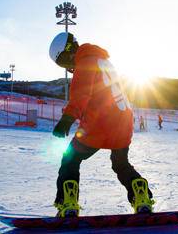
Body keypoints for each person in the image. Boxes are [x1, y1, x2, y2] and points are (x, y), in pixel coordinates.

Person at [49, 32, 154, 217]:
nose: (68, 68)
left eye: (64, 62)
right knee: (120, 163)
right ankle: (141, 197)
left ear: (67, 52)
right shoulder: (103, 61)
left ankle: (68, 204)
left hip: (99, 122)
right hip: (123, 121)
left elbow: (81, 94)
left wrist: (66, 120)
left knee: (70, 159)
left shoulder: (85, 61)